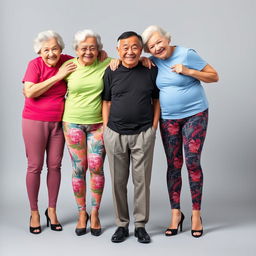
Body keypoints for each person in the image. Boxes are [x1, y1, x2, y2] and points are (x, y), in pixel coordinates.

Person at [141, 25, 219, 238]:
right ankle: (176, 213)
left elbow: (214, 76)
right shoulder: (153, 61)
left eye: (159, 42)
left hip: (196, 114)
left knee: (192, 162)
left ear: (167, 39)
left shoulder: (187, 54)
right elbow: (129, 56)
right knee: (173, 165)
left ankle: (196, 214)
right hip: (169, 119)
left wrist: (189, 71)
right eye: (151, 47)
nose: (157, 48)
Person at [102, 31, 160, 243]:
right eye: (125, 47)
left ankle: (141, 225)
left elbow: (156, 100)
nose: (130, 51)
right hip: (115, 134)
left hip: (143, 133)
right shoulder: (111, 70)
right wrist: (107, 128)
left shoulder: (150, 70)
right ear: (118, 50)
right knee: (118, 182)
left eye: (135, 46)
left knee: (142, 182)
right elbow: (106, 101)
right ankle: (121, 225)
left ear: (141, 49)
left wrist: (153, 128)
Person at [22, 30, 77, 234]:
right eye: (46, 50)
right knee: (35, 166)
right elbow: (29, 91)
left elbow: (91, 57)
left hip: (58, 123)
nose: (51, 53)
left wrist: (105, 55)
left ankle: (51, 210)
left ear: (61, 49)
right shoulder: (34, 65)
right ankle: (34, 211)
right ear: (39, 51)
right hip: (34, 121)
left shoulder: (68, 61)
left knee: (55, 165)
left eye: (54, 48)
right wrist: (60, 76)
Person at [62, 29, 111, 236]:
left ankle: (95, 212)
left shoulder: (108, 63)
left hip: (98, 124)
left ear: (99, 49)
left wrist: (145, 62)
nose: (88, 51)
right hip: (72, 122)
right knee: (78, 169)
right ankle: (82, 213)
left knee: (96, 167)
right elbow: (53, 82)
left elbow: (130, 59)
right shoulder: (69, 66)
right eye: (84, 48)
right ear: (76, 49)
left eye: (93, 47)